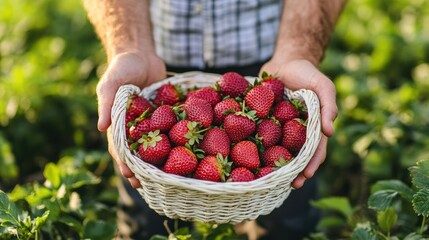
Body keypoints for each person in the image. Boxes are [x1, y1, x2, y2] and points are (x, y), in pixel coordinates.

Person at [82, 0, 345, 239]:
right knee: (144, 227)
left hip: (277, 65)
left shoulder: (261, 108)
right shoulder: (165, 111)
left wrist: (298, 52)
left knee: (287, 228)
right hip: (152, 69)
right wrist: (130, 46)